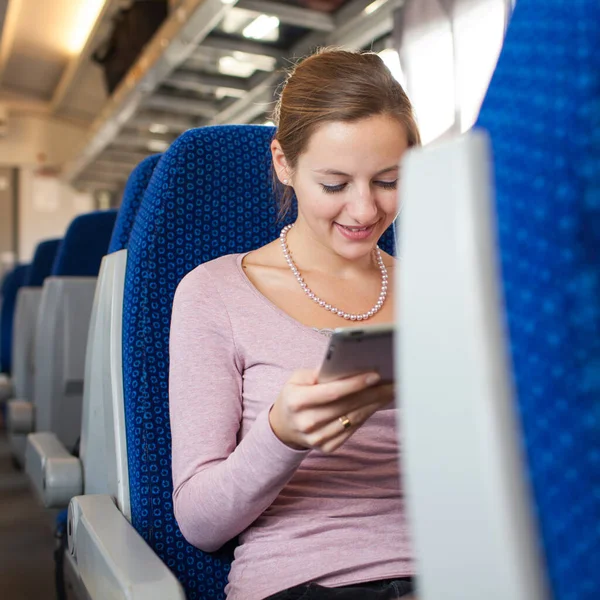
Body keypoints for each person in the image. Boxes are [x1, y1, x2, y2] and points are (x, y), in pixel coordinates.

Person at [169, 48, 421, 600]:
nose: (363, 210)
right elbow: (198, 522)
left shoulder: (440, 290)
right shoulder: (215, 294)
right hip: (305, 581)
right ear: (283, 162)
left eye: (387, 181)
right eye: (334, 185)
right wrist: (281, 436)